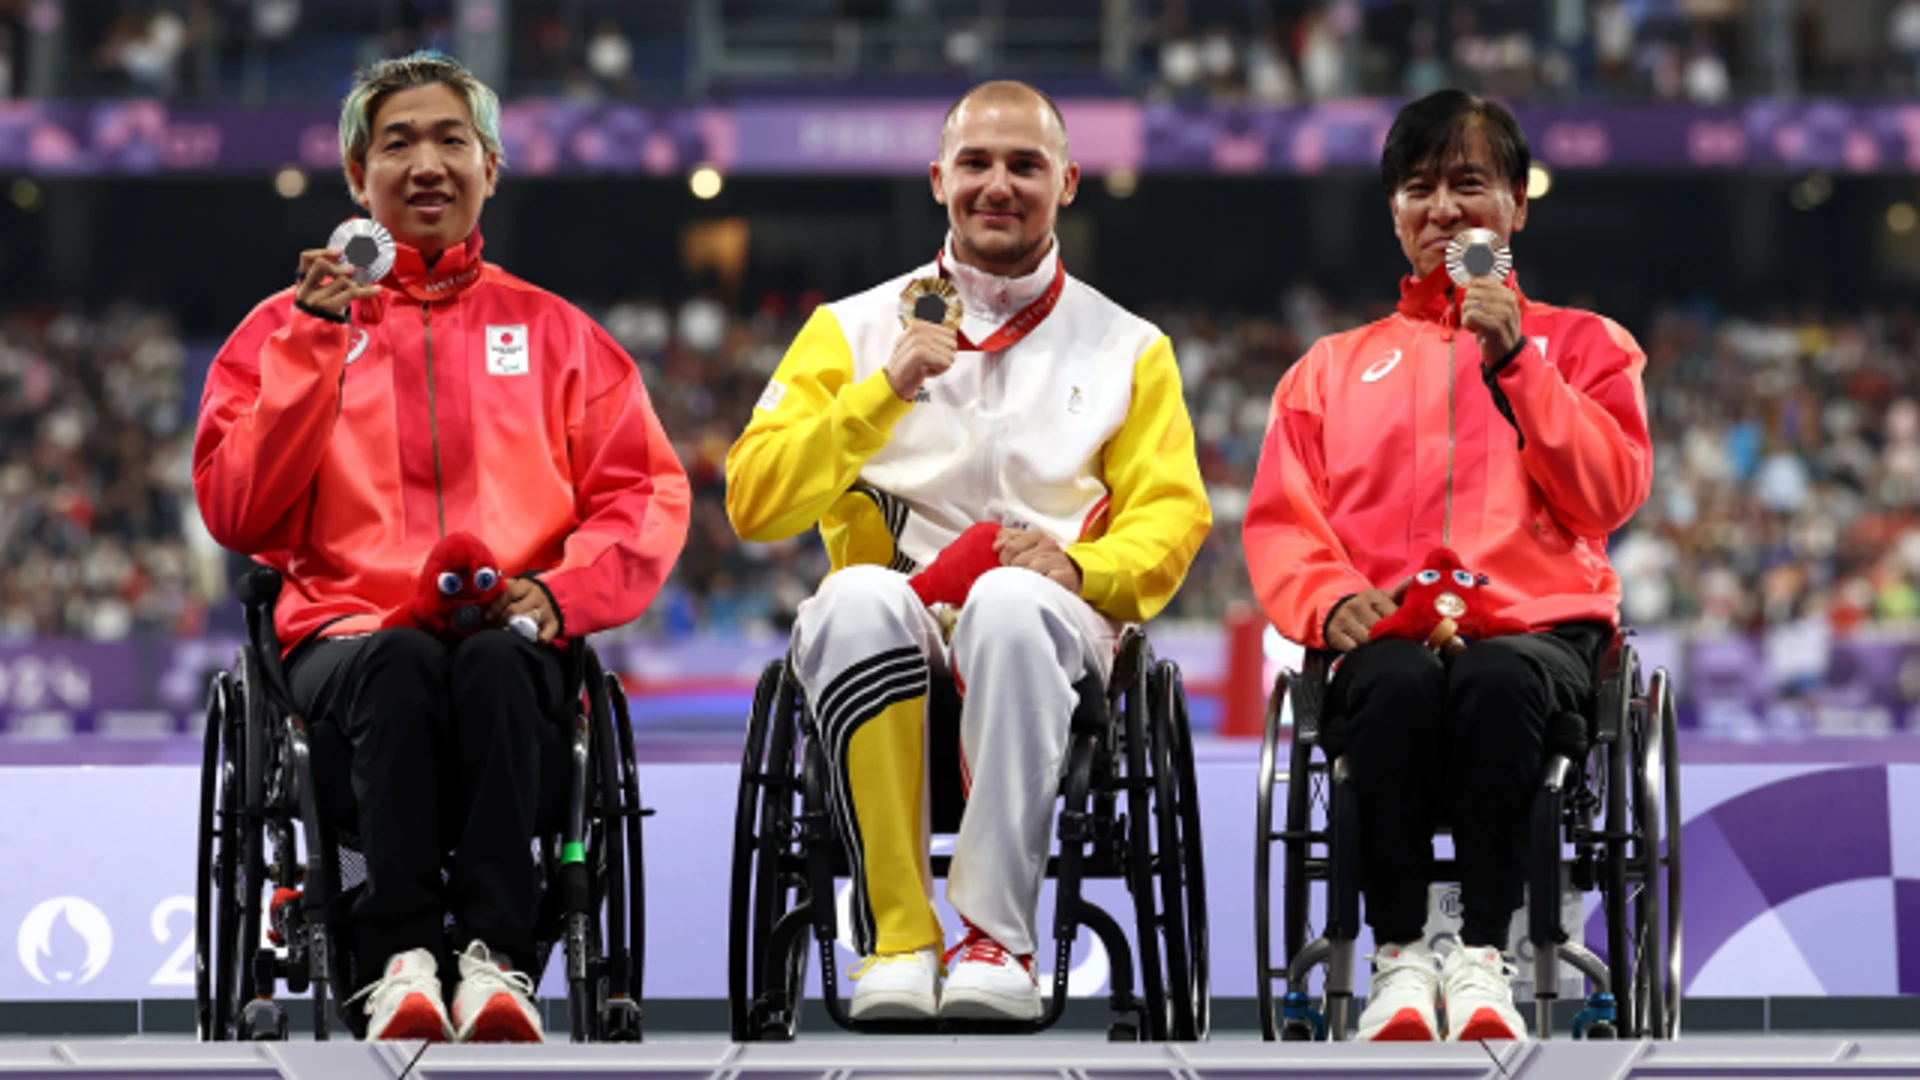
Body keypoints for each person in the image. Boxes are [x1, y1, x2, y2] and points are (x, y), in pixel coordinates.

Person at [192, 52, 690, 1043]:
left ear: (491, 166)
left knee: (499, 662)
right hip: (348, 640)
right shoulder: (276, 334)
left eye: (450, 139)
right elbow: (239, 511)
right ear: (355, 177)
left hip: (513, 626)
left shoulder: (559, 335)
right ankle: (397, 961)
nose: (427, 162)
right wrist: (310, 346)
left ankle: (497, 962)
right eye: (398, 142)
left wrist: (559, 594)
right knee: (402, 660)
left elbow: (644, 491)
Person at [725, 81, 1210, 1022]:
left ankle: (997, 939)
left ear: (1067, 182)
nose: (1000, 184)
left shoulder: (1128, 347)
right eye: (977, 164)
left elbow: (1170, 518)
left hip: (1048, 635)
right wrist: (882, 392)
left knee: (1009, 604)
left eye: (1025, 164)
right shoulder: (851, 331)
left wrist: (1082, 569)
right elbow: (754, 498)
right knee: (855, 598)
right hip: (892, 635)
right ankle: (898, 939)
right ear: (938, 177)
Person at [1242, 89, 1652, 1042]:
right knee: (1388, 682)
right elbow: (1283, 521)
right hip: (1386, 637)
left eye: (1470, 184)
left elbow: (1607, 495)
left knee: (1497, 677)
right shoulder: (1329, 370)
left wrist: (1516, 360)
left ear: (1516, 204)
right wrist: (1328, 594)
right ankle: (1395, 961)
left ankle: (1481, 959)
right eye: (1419, 188)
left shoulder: (1588, 347)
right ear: (1393, 211)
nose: (1443, 209)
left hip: (1535, 639)